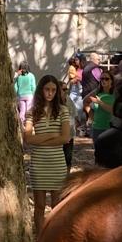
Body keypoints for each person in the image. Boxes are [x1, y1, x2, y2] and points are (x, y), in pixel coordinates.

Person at [24, 75, 72, 232]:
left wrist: (40, 140)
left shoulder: (63, 111)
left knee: (57, 205)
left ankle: (55, 234)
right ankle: (40, 237)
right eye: (47, 89)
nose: (50, 93)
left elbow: (65, 138)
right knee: (39, 205)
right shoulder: (32, 113)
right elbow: (28, 138)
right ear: (41, 90)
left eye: (53, 90)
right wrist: (52, 136)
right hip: (39, 162)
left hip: (57, 162)